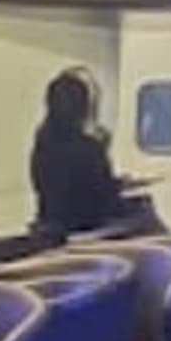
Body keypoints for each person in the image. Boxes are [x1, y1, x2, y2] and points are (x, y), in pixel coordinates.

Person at [31, 67, 126, 237]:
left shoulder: (43, 139)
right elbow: (100, 195)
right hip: (83, 229)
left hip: (50, 223)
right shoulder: (89, 148)